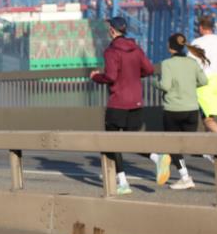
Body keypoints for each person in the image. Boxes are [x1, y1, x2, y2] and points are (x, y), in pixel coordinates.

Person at [89, 16, 155, 195]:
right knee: (131, 139)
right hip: (136, 101)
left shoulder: (111, 51)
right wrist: (133, 75)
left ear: (112, 30)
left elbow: (110, 76)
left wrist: (95, 76)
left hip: (118, 102)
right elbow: (149, 69)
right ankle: (156, 157)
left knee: (111, 142)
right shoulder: (136, 48)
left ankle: (124, 183)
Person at [152, 34, 209, 190]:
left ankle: (185, 177)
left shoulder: (167, 63)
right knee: (189, 144)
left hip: (173, 110)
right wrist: (189, 86)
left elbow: (165, 86)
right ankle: (209, 154)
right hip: (192, 109)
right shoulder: (192, 62)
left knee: (173, 145)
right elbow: (204, 81)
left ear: (170, 47)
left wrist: (153, 82)